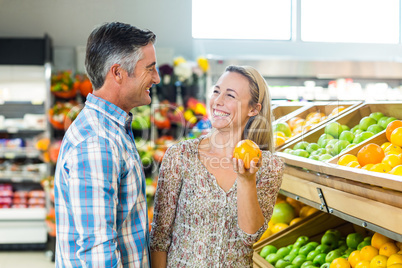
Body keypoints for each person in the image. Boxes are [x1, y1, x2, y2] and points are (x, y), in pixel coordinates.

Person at [150, 65, 284, 267]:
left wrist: (247, 180)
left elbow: (250, 236)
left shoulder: (268, 166)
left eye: (230, 95)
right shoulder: (180, 156)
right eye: (216, 91)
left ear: (254, 109)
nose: (218, 101)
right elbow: (159, 238)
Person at [54, 22, 160, 267]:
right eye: (150, 68)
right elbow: (98, 252)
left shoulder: (112, 129)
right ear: (118, 73)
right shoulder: (97, 142)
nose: (156, 78)